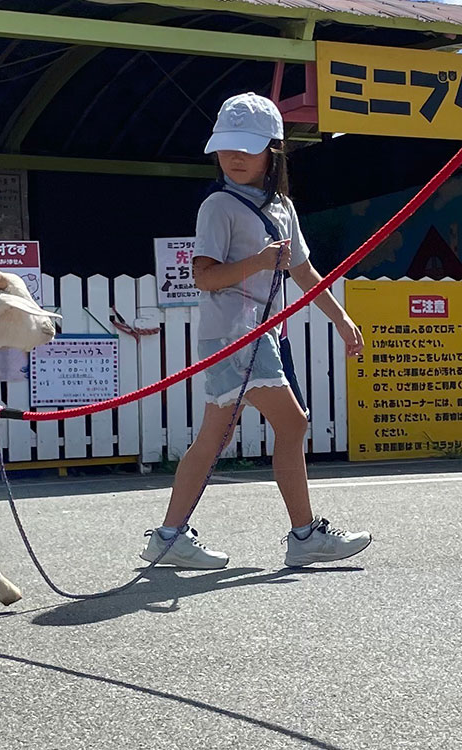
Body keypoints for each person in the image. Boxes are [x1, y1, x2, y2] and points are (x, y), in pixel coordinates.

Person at [140, 92, 371, 569]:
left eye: (247, 146)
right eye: (227, 146)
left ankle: (168, 537)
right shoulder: (218, 207)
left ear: (273, 149)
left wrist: (341, 318)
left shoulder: (282, 206)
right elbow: (204, 277)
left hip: (254, 334)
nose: (234, 156)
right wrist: (260, 262)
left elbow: (304, 273)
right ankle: (304, 535)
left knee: (215, 437)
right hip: (237, 334)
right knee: (293, 423)